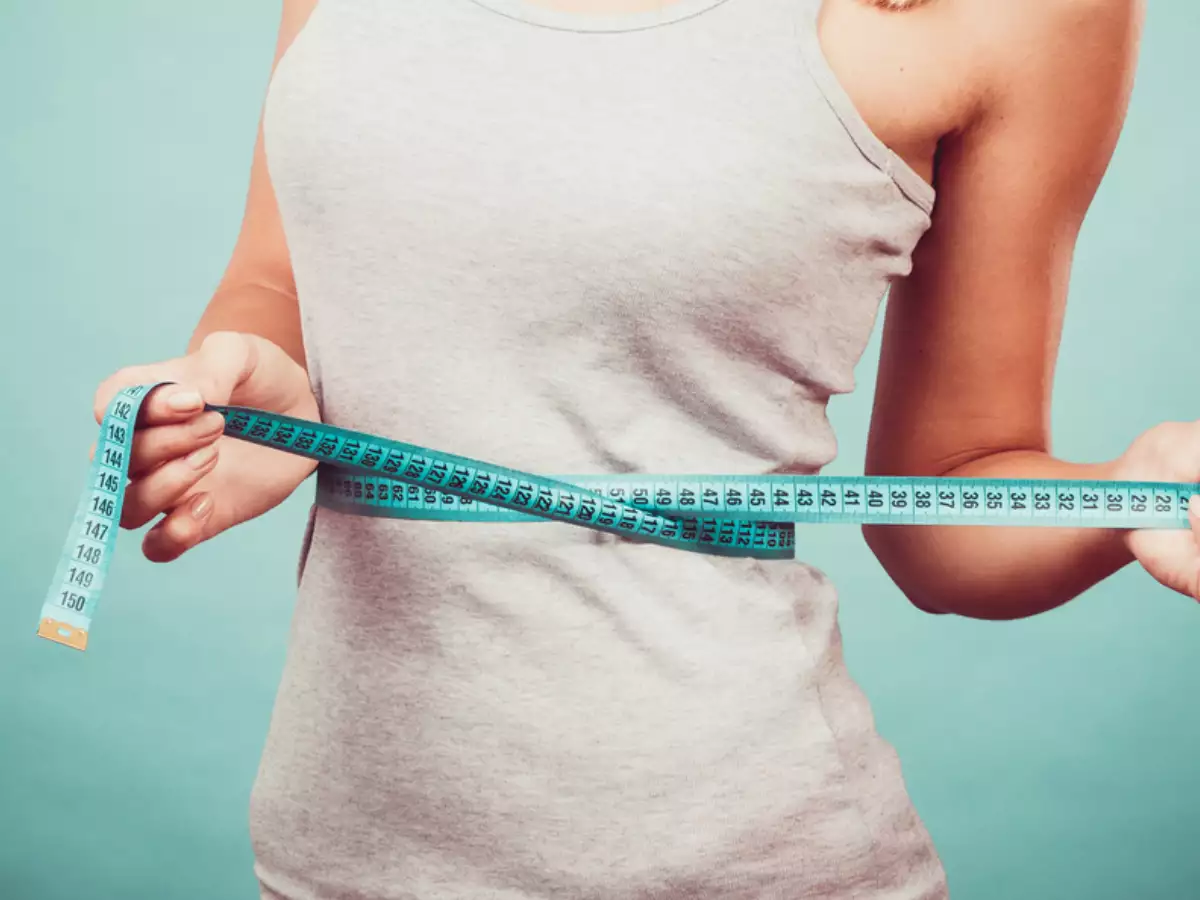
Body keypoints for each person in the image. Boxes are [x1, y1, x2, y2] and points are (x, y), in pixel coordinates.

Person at [93, 0, 1187, 897]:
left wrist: (1142, 498)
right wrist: (244, 396)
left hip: (742, 857)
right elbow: (279, 276)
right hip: (336, 852)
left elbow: (948, 506)